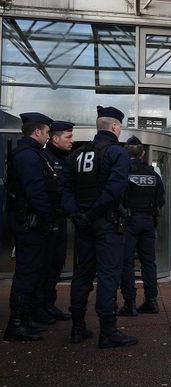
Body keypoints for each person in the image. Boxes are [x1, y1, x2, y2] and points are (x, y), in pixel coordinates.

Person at [62, 106, 137, 348]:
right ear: (115, 127)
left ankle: (77, 328)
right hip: (106, 222)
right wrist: (94, 213)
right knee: (108, 275)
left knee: (82, 275)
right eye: (120, 126)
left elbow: (67, 189)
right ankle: (108, 331)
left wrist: (77, 214)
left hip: (83, 223)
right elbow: (115, 189)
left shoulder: (76, 154)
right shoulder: (117, 153)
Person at [3, 112, 54, 341]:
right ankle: (16, 325)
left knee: (31, 270)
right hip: (29, 222)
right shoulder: (29, 156)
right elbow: (36, 191)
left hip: (28, 220)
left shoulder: (28, 154)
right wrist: (47, 215)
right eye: (46, 133)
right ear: (37, 132)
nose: (48, 137)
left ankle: (24, 320)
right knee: (27, 272)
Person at [117, 136, 165, 316]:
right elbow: (161, 199)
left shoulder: (122, 172)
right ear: (143, 153)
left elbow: (117, 196)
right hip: (148, 221)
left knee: (126, 262)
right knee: (148, 262)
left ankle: (129, 303)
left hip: (128, 221)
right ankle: (151, 301)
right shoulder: (153, 174)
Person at [38, 121, 75, 322]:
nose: (72, 141)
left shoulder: (66, 158)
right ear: (55, 138)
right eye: (68, 137)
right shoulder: (45, 158)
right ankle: (38, 307)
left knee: (55, 264)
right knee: (43, 265)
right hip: (46, 220)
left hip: (59, 219)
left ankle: (48, 304)